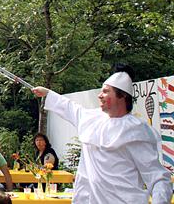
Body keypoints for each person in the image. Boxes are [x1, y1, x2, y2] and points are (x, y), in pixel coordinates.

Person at [32, 65, 173, 203]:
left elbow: (158, 178)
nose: (100, 95)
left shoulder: (136, 131)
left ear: (122, 95)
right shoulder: (92, 118)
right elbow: (70, 107)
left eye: (106, 91)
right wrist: (48, 93)